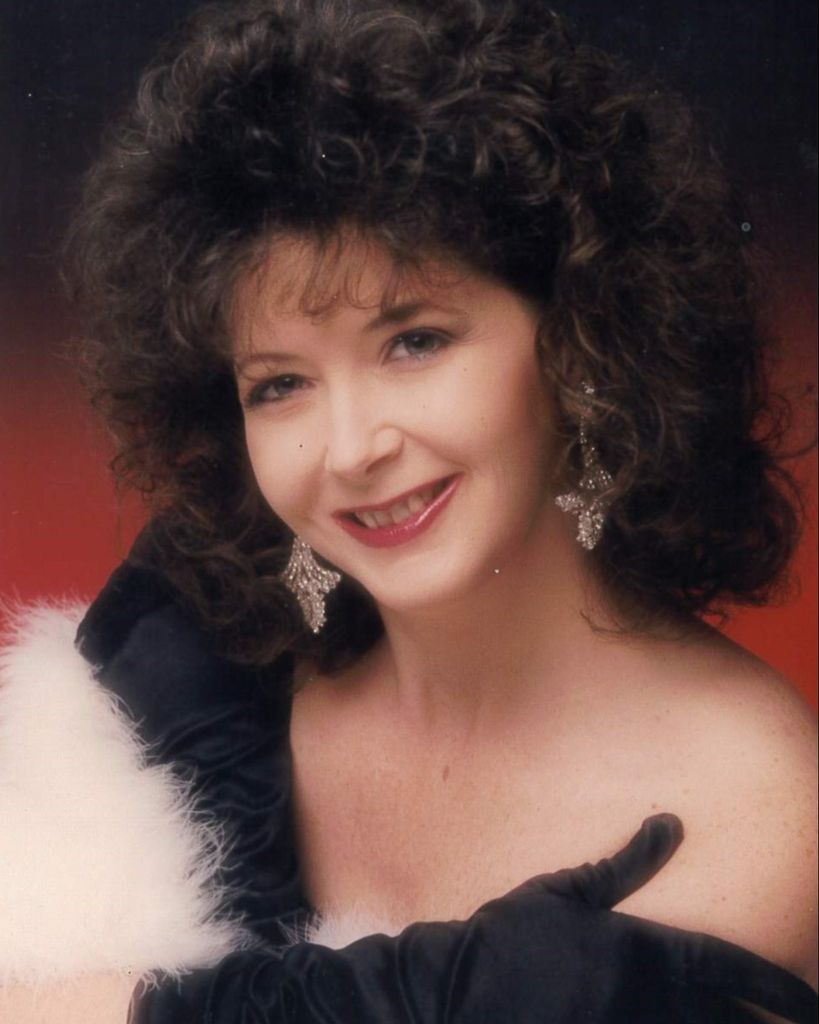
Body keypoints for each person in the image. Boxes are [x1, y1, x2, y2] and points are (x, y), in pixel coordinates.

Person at [0, 0, 816, 1021]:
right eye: (280, 385)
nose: (351, 449)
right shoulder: (202, 690)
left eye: (414, 341)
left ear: (581, 343)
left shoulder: (751, 799)